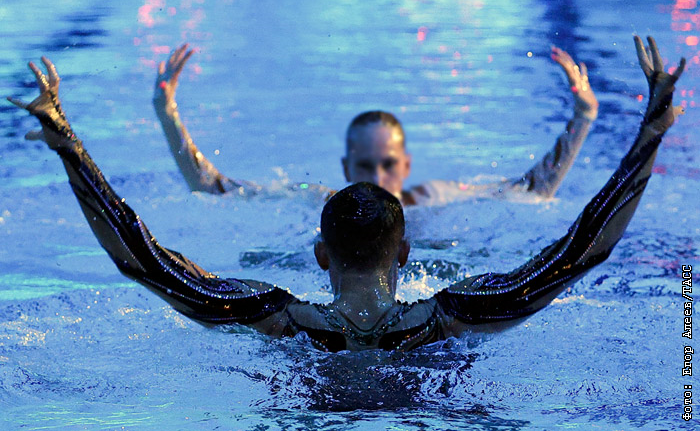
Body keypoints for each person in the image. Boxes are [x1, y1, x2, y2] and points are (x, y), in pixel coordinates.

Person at [9, 36, 684, 352]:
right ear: (406, 252)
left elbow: (140, 256)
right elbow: (584, 247)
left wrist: (69, 143)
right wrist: (648, 130)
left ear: (320, 255)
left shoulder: (273, 314)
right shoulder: (454, 316)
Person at [153, 44, 599, 205]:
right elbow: (213, 189)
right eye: (365, 166)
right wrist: (167, 114)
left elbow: (533, 190)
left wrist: (583, 117)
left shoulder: (434, 200)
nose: (376, 178)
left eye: (387, 164)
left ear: (406, 165)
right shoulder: (318, 204)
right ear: (346, 168)